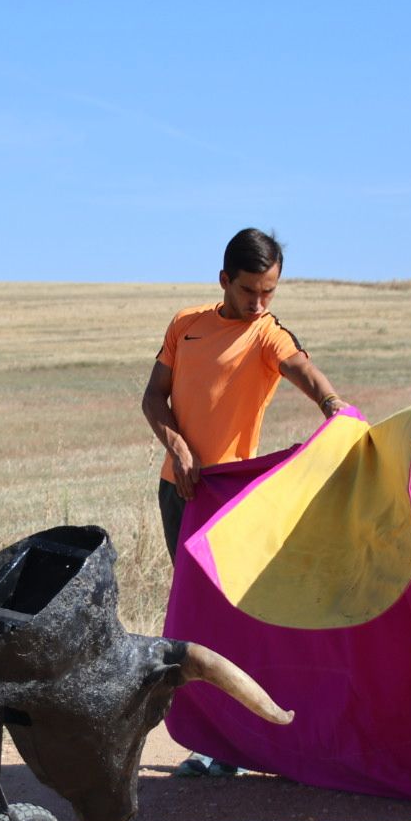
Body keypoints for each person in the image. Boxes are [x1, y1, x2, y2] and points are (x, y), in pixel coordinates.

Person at [140, 227, 347, 779]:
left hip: (231, 500)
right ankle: (214, 738)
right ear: (224, 280)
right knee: (195, 619)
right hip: (176, 491)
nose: (259, 303)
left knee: (227, 621)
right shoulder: (186, 326)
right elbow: (152, 397)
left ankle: (236, 742)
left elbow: (301, 367)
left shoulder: (267, 334)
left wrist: (332, 405)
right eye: (249, 290)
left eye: (270, 292)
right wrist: (177, 445)